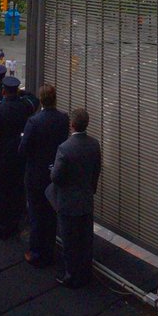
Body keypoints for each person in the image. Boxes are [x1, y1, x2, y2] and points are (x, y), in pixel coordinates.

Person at [18, 83, 69, 266]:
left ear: (41, 100)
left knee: (36, 213)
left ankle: (36, 251)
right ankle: (50, 248)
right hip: (54, 170)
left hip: (36, 173)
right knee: (50, 213)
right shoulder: (64, 118)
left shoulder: (34, 121)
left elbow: (23, 149)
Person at [50, 106, 101, 288]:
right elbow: (96, 170)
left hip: (67, 202)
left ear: (71, 125)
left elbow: (56, 176)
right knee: (85, 239)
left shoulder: (64, 148)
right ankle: (85, 272)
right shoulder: (94, 144)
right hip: (86, 199)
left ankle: (71, 275)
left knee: (69, 241)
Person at [0, 75, 34, 238]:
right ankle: (16, 221)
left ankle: (2, 226)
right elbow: (33, 99)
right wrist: (20, 94)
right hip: (18, 154)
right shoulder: (25, 106)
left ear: (3, 91)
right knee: (16, 189)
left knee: (0, 192)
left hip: (0, 155)